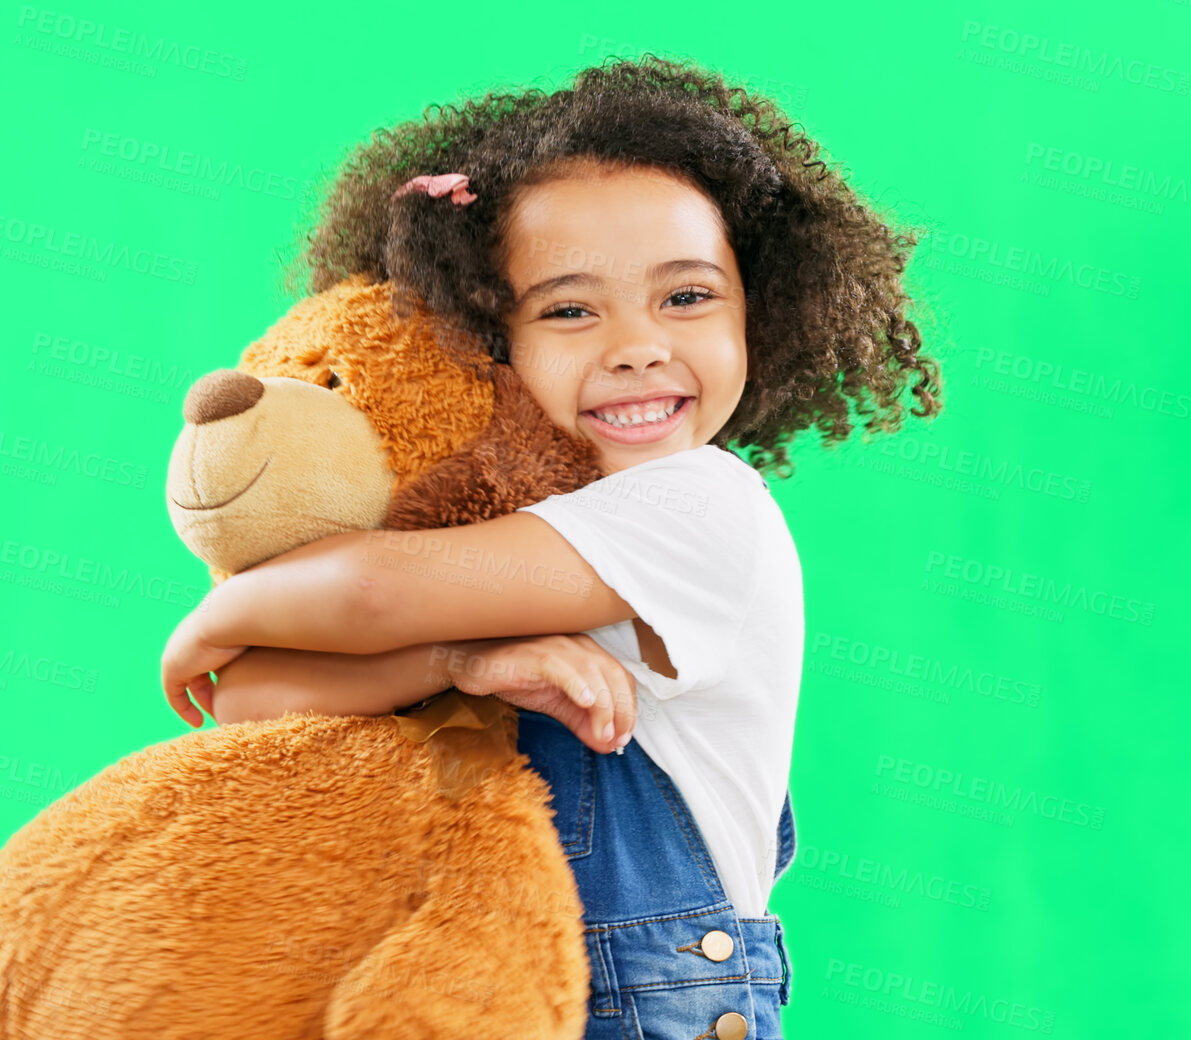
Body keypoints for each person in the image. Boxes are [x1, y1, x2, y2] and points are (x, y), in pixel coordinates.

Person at [159, 55, 941, 1039]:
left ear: (761, 310)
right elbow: (251, 700)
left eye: (687, 297)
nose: (637, 345)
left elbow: (361, 596)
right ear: (487, 340)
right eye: (569, 309)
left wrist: (222, 609)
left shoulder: (701, 507)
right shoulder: (494, 543)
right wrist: (458, 663)